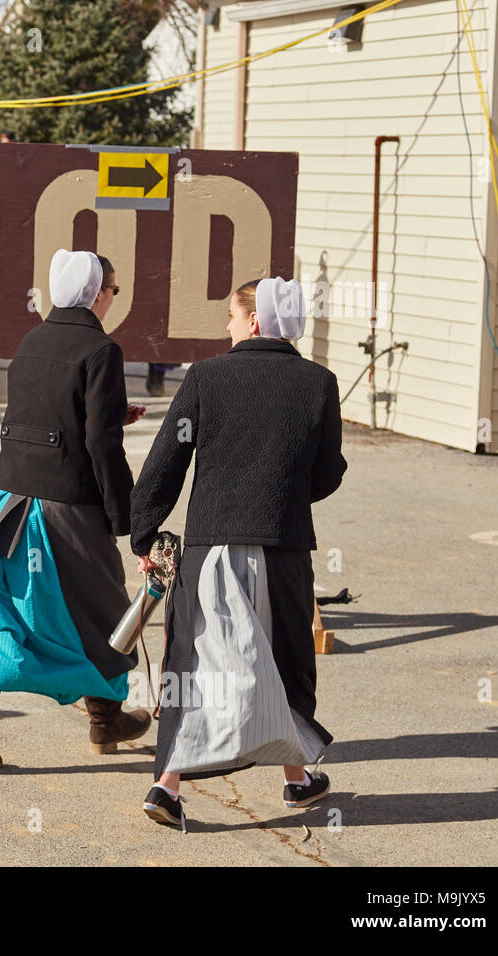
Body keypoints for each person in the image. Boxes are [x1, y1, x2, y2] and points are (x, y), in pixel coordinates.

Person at [128, 277, 346, 831]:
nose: (225, 325)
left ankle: (167, 785)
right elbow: (325, 474)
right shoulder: (318, 384)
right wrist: (287, 488)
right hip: (282, 547)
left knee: (197, 663)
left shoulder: (206, 377)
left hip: (210, 547)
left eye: (230, 314)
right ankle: (296, 779)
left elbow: (164, 462)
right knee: (281, 661)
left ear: (253, 321)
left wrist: (145, 533)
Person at [0, 249, 150, 769]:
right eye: (113, 288)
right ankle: (105, 719)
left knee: (5, 611)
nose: (114, 297)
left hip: (7, 503)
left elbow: (46, 419)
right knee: (107, 610)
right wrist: (123, 515)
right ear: (96, 293)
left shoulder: (31, 341)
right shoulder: (101, 350)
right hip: (67, 508)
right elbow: (100, 446)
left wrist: (110, 415)